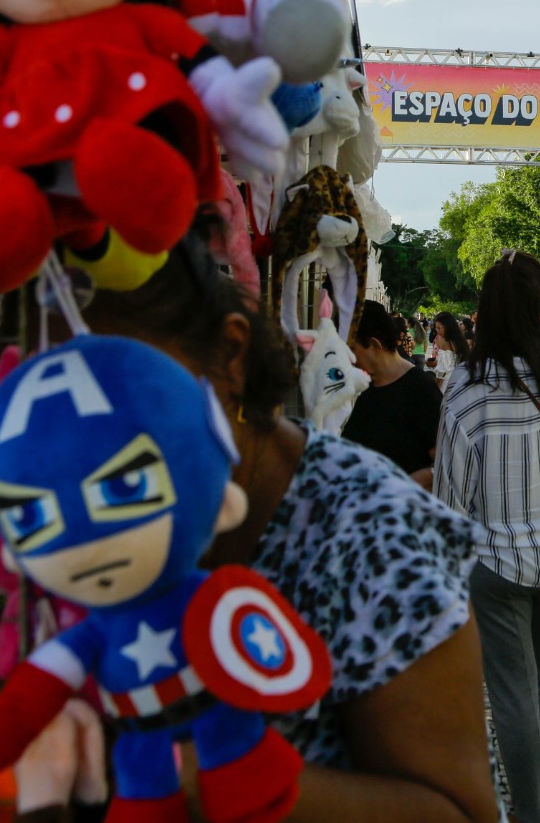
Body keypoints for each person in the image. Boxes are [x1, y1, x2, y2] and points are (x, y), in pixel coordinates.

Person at [67, 219, 500, 822]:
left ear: (229, 355)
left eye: (113, 380)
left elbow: (458, 812)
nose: (79, 424)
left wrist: (207, 776)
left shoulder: (369, 531)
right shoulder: (72, 520)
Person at [435, 251, 540, 823]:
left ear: (483, 310)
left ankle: (532, 811)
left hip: (496, 562)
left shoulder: (465, 386)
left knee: (512, 690)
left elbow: (451, 499)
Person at [343, 300, 445, 489]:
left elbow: (445, 462)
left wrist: (421, 478)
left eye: (352, 350)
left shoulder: (421, 390)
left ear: (374, 345)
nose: (349, 360)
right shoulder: (367, 389)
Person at [428, 311, 466, 390]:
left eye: (439, 328)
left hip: (445, 385)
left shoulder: (445, 343)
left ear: (447, 326)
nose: (437, 331)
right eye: (436, 328)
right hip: (457, 382)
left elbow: (441, 373)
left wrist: (435, 391)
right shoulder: (459, 341)